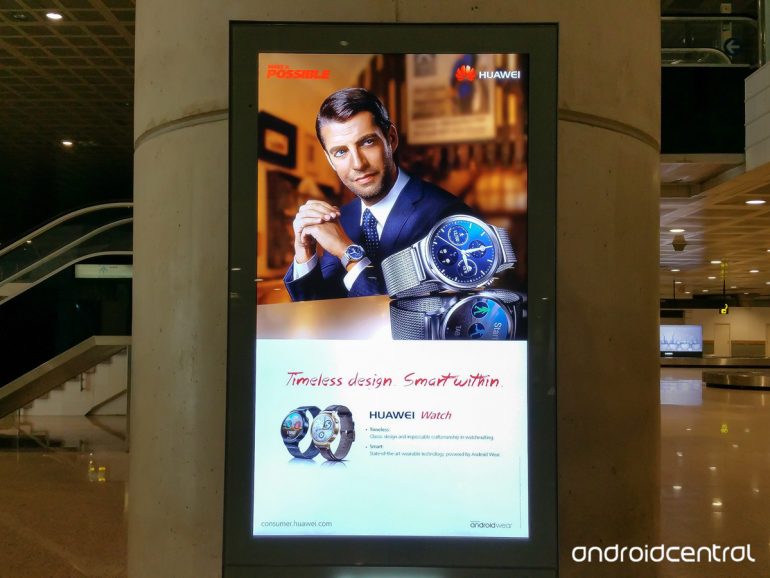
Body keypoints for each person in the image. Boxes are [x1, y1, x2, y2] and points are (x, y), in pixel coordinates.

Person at [284, 87, 471, 301]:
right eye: (341, 152)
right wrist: (304, 252)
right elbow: (321, 309)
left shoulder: (449, 215)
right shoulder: (342, 218)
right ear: (330, 160)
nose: (358, 164)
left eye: (367, 142)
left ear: (391, 139)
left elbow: (405, 314)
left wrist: (347, 252)